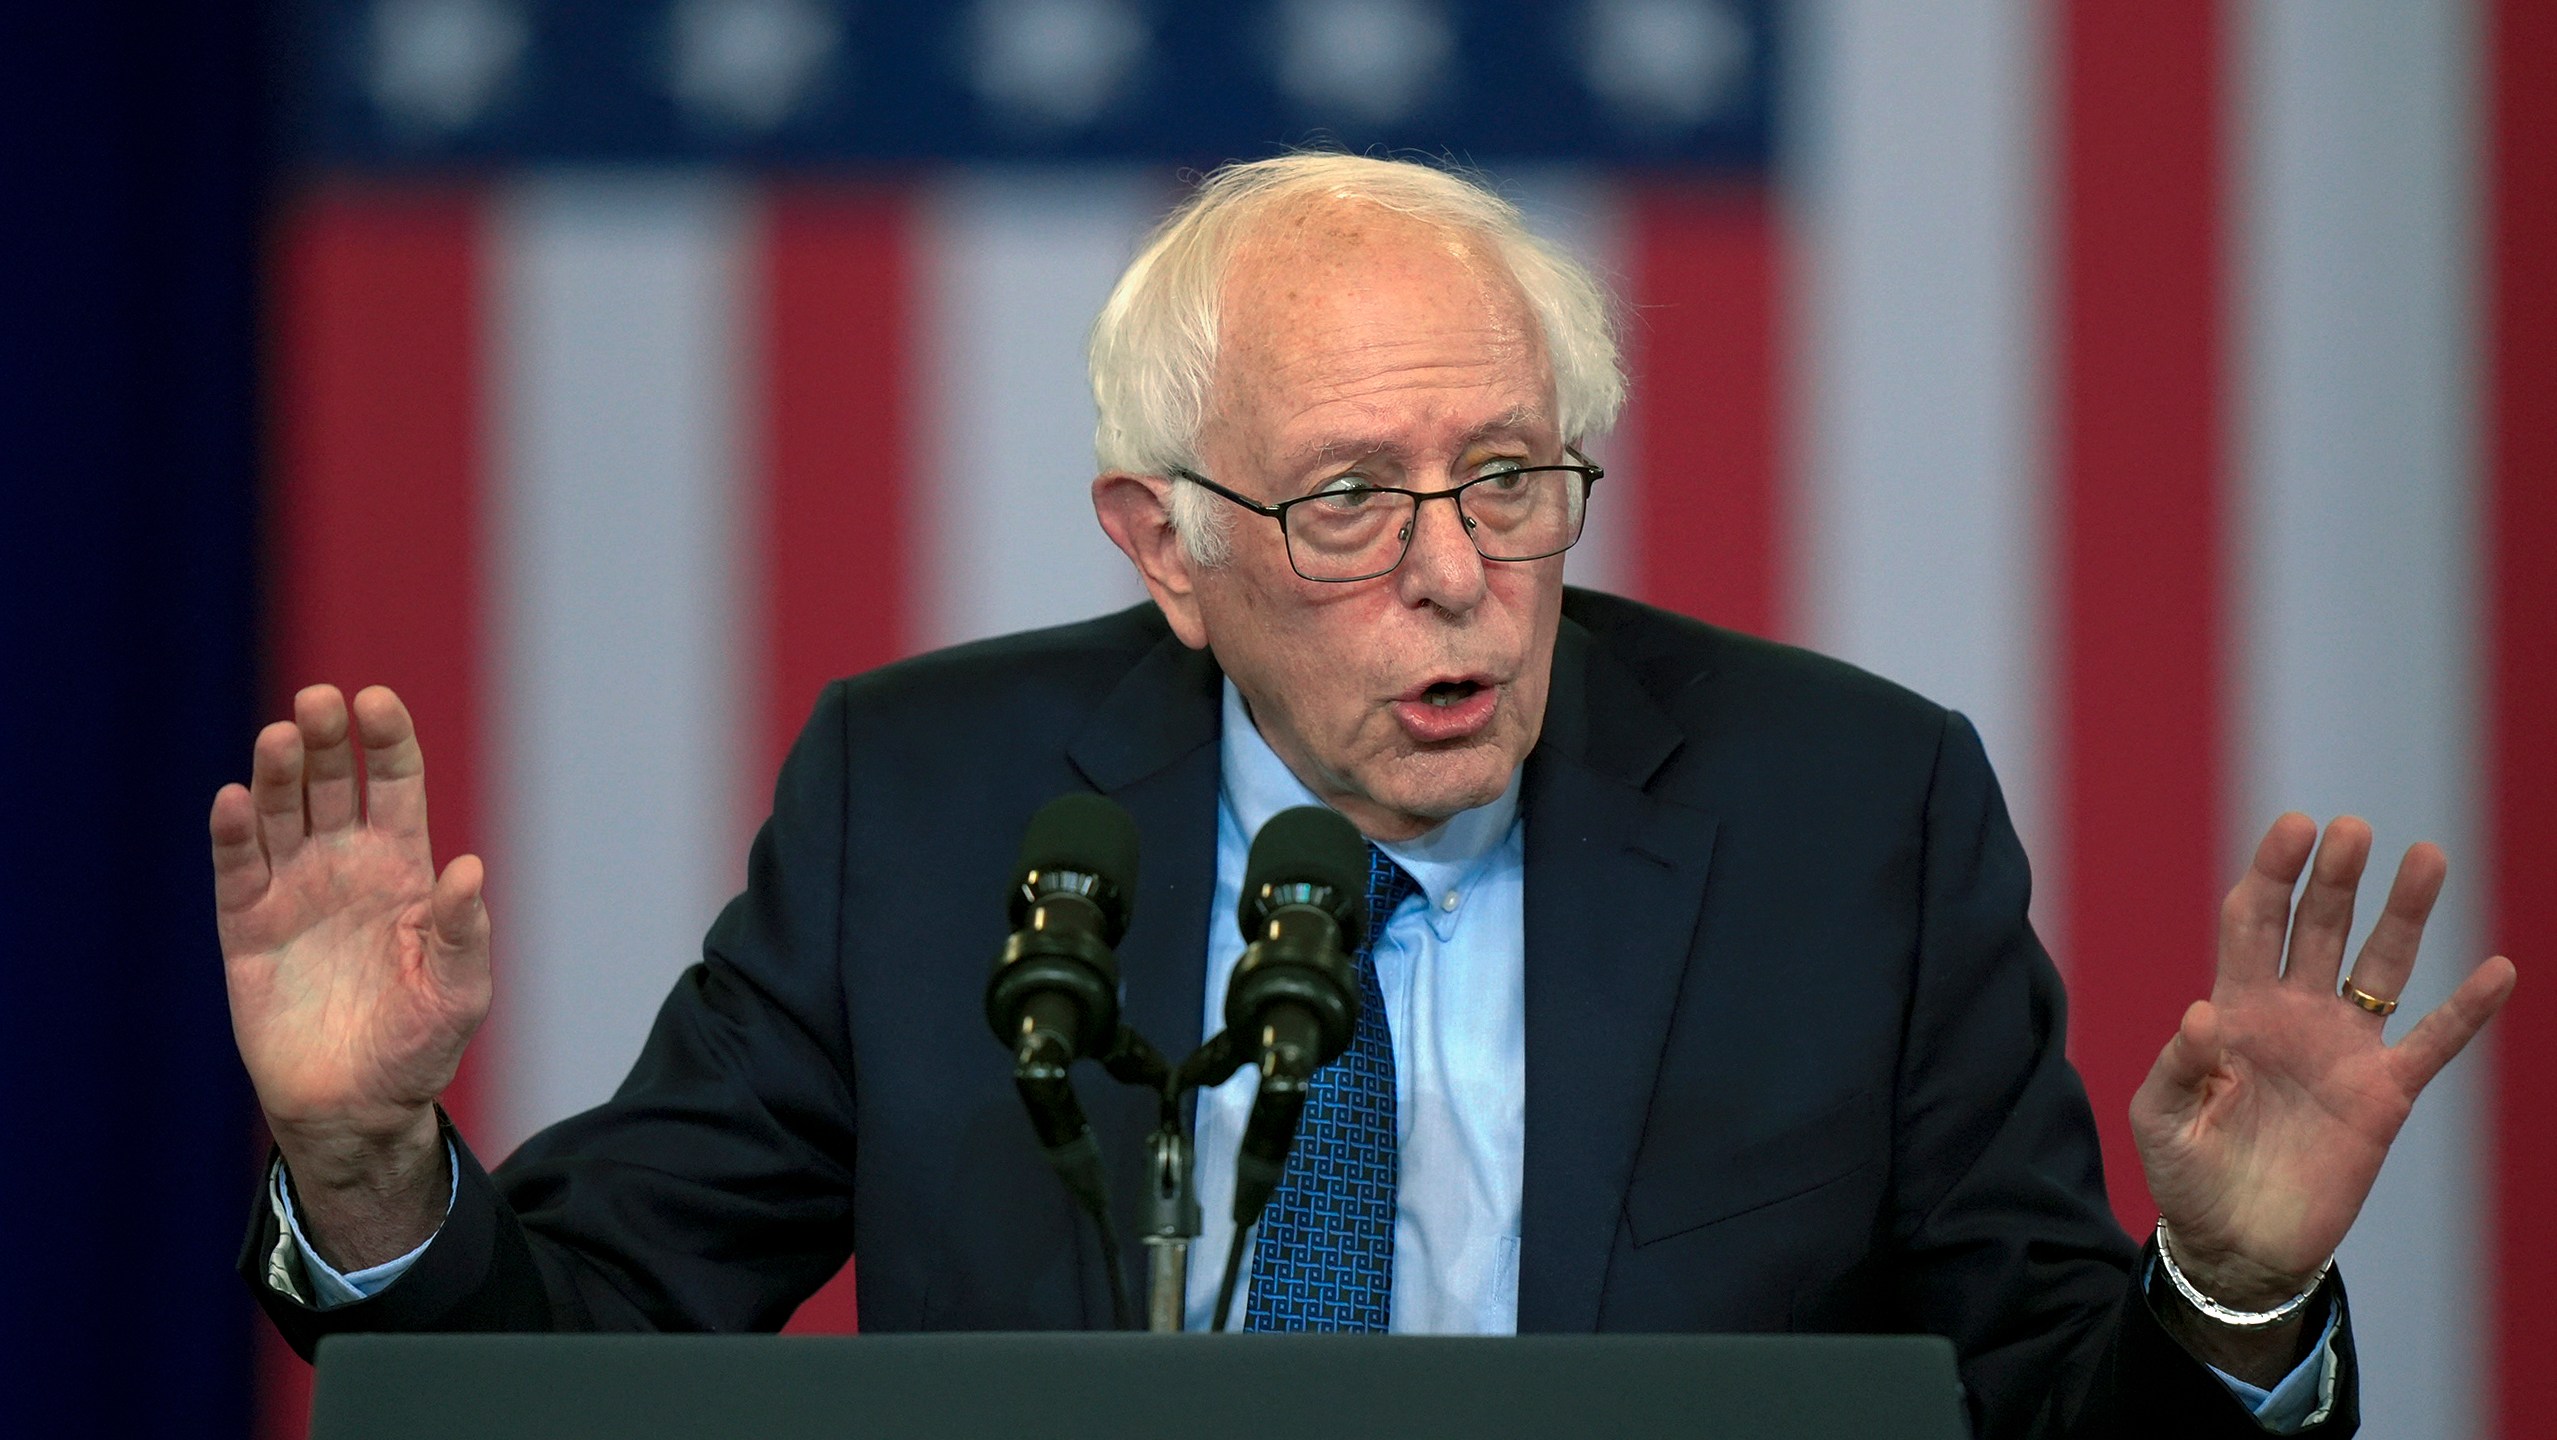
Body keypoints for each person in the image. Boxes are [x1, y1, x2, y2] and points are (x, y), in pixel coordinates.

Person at [214, 154, 2515, 1437]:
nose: (1455, 575)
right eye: (1343, 501)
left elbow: (2042, 1424)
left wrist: (2217, 1292)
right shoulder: (923, 807)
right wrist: (365, 1160)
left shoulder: (1851, 816)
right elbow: (571, 1377)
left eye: (1508, 477)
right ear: (1163, 548)